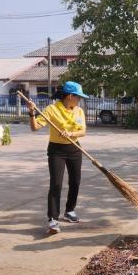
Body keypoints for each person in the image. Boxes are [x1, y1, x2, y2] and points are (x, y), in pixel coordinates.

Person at [26, 81, 89, 234]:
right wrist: (32, 112)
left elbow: (83, 131)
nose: (79, 100)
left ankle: (70, 211)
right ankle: (53, 219)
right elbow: (35, 127)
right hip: (56, 150)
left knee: (75, 180)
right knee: (56, 183)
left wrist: (71, 133)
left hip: (75, 148)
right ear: (69, 96)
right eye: (78, 97)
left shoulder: (79, 111)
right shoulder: (52, 110)